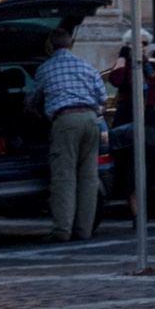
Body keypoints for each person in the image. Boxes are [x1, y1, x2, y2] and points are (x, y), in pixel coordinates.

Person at [40, 29, 111, 241]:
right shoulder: (86, 66)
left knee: (64, 177)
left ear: (51, 46)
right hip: (91, 120)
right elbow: (103, 97)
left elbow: (32, 99)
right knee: (89, 178)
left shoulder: (45, 68)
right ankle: (84, 230)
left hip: (65, 121)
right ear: (70, 45)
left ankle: (62, 231)